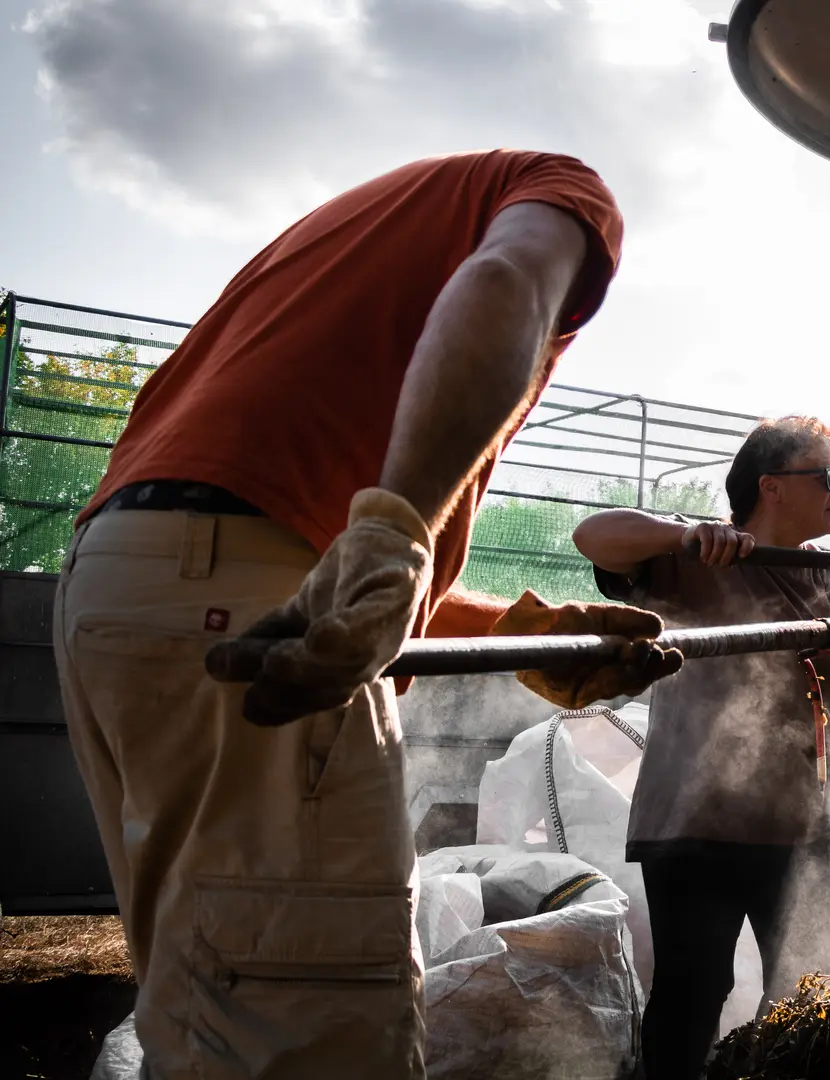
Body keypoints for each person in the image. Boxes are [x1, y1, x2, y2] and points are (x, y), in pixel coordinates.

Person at [52, 150, 684, 1078]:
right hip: (242, 593)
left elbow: (303, 545)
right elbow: (509, 277)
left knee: (214, 1000)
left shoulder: (327, 246)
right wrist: (396, 530)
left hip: (119, 587)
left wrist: (514, 633)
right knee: (318, 1033)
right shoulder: (560, 188)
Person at [573, 416, 830, 1080]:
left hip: (808, 830)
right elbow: (593, 537)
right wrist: (684, 533)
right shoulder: (697, 556)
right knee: (692, 1001)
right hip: (696, 827)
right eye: (829, 478)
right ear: (772, 486)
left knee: (808, 1009)